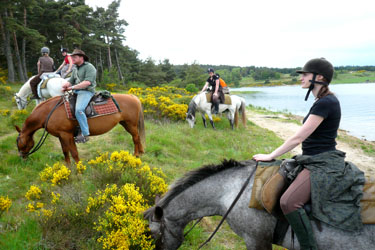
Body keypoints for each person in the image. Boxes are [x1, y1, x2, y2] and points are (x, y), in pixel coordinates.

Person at [253, 58, 365, 250]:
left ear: (319, 77)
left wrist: (270, 155)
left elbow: (298, 138)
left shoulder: (326, 102)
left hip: (323, 162)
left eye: (305, 74)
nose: (301, 78)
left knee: (289, 202)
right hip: (313, 159)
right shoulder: (322, 101)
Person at [62, 49, 97, 143]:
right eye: (72, 57)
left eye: (75, 57)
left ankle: (85, 134)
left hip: (86, 91)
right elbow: (71, 81)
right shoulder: (75, 68)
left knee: (79, 109)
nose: (72, 58)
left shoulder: (90, 67)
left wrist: (72, 87)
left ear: (81, 58)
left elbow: (87, 83)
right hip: (76, 91)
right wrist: (66, 85)